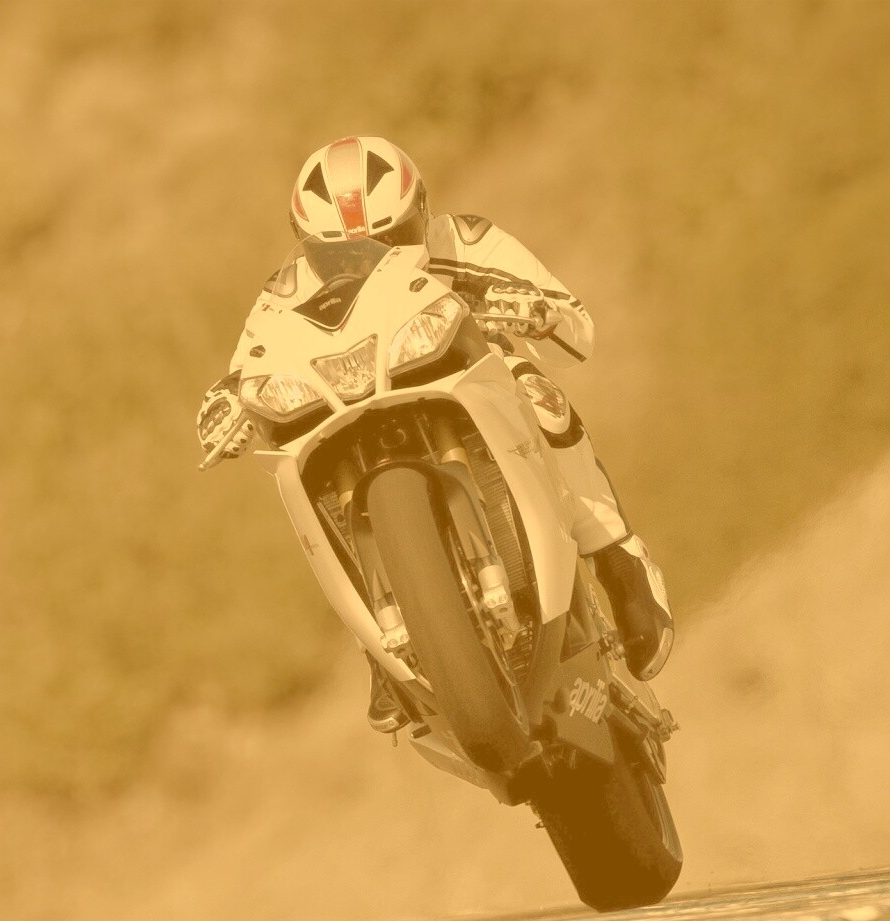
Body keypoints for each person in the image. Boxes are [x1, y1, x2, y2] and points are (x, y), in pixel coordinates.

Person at [196, 135, 673, 732]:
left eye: (392, 238)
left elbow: (577, 334)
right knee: (295, 466)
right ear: (306, 244)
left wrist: (538, 310)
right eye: (337, 254)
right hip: (354, 405)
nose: (369, 260)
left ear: (421, 209)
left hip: (469, 384)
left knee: (538, 391)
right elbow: (251, 365)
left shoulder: (465, 242)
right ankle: (379, 644)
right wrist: (228, 400)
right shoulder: (283, 294)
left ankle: (619, 559)